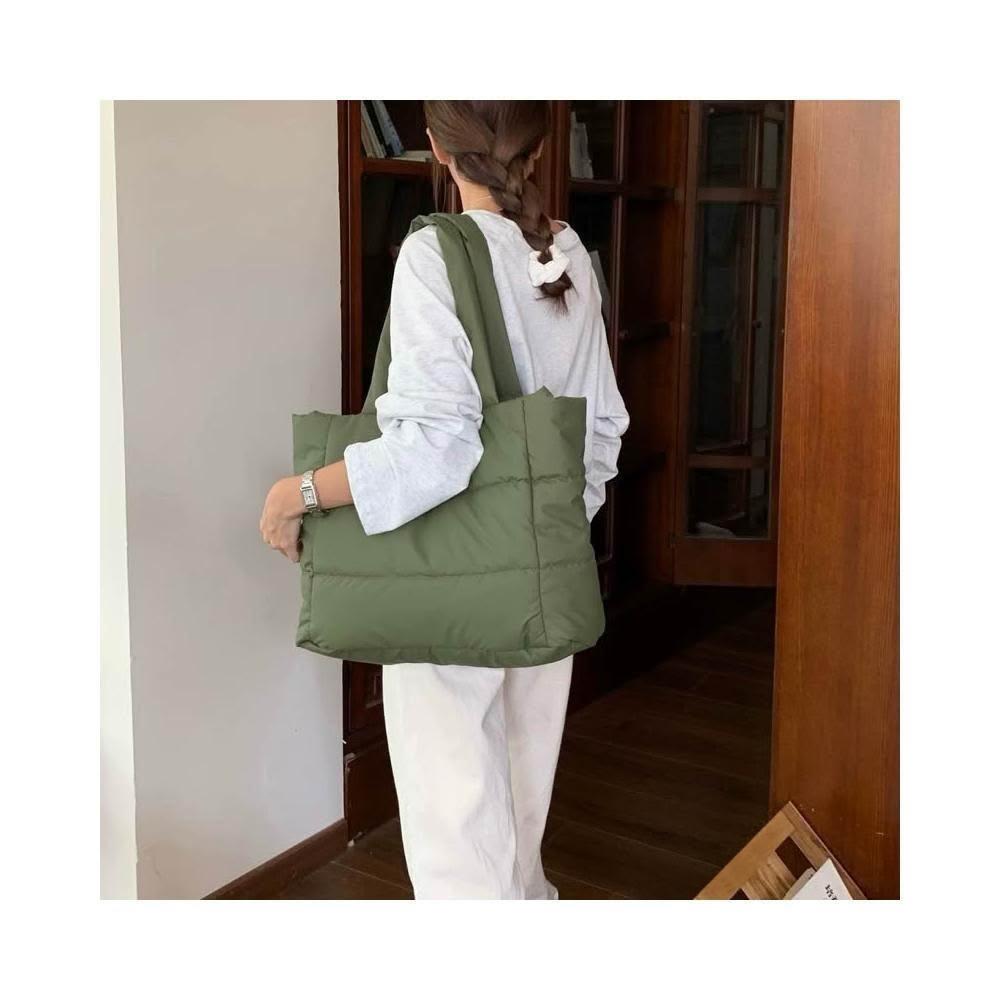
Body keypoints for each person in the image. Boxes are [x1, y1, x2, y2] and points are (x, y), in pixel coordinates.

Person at [260, 101, 629, 899]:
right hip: (545, 577)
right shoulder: (566, 254)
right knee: (517, 841)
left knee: (459, 855)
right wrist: (548, 531)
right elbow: (602, 431)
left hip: (448, 594)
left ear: (434, 145)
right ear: (539, 146)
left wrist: (301, 493)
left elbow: (435, 448)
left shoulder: (436, 252)